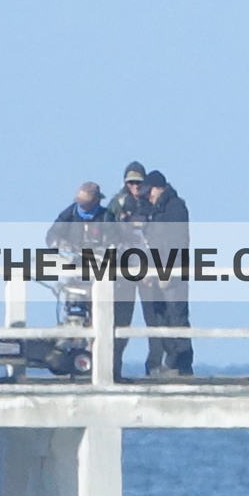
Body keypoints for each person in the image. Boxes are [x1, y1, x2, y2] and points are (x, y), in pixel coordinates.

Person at [141, 170, 193, 377]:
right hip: (157, 271)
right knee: (161, 317)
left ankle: (181, 365)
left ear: (158, 188)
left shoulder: (175, 206)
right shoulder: (156, 210)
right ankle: (169, 363)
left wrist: (169, 270)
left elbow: (179, 240)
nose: (147, 195)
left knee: (177, 316)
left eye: (149, 191)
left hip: (174, 271)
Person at [105, 162, 153, 379]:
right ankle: (113, 370)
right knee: (121, 321)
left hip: (147, 268)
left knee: (154, 318)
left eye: (139, 182)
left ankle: (155, 368)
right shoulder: (117, 204)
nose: (135, 186)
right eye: (131, 182)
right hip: (124, 269)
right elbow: (107, 232)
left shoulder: (150, 203)